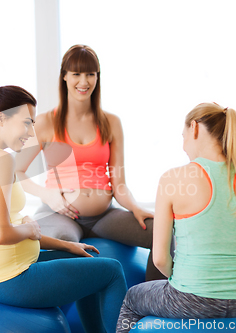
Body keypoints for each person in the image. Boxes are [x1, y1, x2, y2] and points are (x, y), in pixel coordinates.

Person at [0, 85, 127, 333]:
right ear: (0, 117)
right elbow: (0, 234)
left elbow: (3, 226)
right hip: (7, 278)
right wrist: (31, 230)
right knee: (112, 271)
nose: (31, 132)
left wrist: (67, 245)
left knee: (85, 257)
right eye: (26, 123)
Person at [116, 103, 236, 332]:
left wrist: (182, 282)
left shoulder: (172, 179)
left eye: (183, 136)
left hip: (191, 299)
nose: (184, 146)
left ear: (195, 128)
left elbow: (160, 259)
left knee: (131, 299)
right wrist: (234, 232)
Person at [15, 44, 166, 281]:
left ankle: (151, 300)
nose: (83, 81)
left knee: (162, 231)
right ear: (64, 76)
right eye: (76, 73)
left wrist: (135, 207)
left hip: (104, 215)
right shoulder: (45, 123)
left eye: (90, 74)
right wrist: (49, 195)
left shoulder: (111, 122)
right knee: (61, 245)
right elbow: (18, 172)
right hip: (60, 212)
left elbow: (119, 183)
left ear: (97, 77)